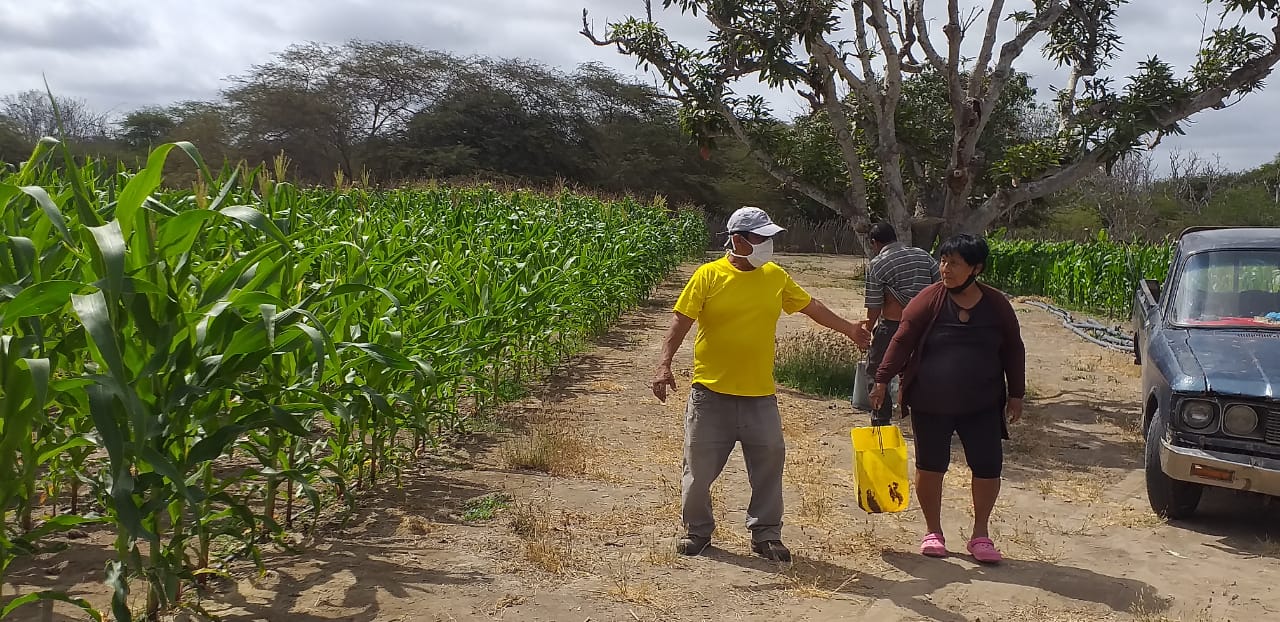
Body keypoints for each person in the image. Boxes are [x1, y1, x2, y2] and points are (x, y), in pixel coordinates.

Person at [652, 206, 872, 562]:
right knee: (698, 472)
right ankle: (697, 532)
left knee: (769, 466)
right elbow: (680, 321)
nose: (769, 244)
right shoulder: (708, 276)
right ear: (738, 240)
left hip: (759, 397)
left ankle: (766, 535)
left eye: (770, 237)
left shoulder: (775, 276)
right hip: (711, 395)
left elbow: (811, 306)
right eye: (761, 237)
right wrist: (664, 364)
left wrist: (849, 329)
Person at [869, 234, 1025, 564]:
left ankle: (980, 535)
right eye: (942, 261)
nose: (945, 269)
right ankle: (933, 532)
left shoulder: (996, 305)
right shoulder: (927, 300)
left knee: (987, 467)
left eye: (954, 263)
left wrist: (1016, 394)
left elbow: (1014, 348)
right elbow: (901, 341)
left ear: (976, 268)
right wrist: (881, 379)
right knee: (930, 466)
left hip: (982, 404)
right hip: (931, 402)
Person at [861, 223, 940, 425]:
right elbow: (940, 287)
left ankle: (881, 418)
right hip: (926, 326)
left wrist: (866, 332)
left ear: (874, 243)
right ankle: (931, 417)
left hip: (893, 326)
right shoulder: (923, 256)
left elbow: (874, 306)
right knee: (925, 371)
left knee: (877, 371)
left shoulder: (878, 264)